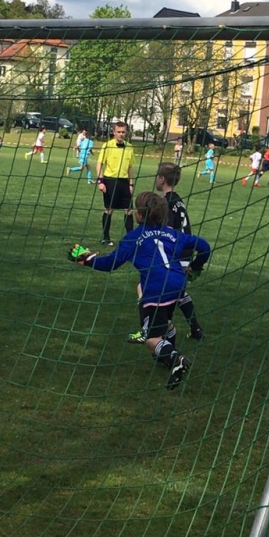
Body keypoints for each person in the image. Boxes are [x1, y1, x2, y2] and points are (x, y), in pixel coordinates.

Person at [68, 191, 211, 390]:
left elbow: (110, 264)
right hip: (178, 284)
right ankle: (166, 357)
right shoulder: (172, 233)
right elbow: (205, 247)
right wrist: (195, 267)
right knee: (163, 322)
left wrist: (87, 260)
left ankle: (176, 359)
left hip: (156, 290)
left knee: (151, 338)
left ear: (140, 214)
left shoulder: (133, 238)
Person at [127, 162, 206, 343]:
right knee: (178, 293)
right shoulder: (177, 200)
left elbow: (166, 233)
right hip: (185, 251)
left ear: (162, 179)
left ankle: (148, 330)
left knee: (146, 289)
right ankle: (195, 328)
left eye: (157, 176)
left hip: (175, 254)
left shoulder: (165, 204)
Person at [94, 122, 136, 246]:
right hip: (110, 181)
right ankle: (105, 237)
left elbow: (130, 167)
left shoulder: (129, 147)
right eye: (118, 132)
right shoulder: (107, 146)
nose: (121, 134)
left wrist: (131, 184)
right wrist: (100, 181)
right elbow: (99, 164)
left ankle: (130, 239)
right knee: (109, 209)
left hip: (124, 182)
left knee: (129, 210)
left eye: (123, 132)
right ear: (114, 132)